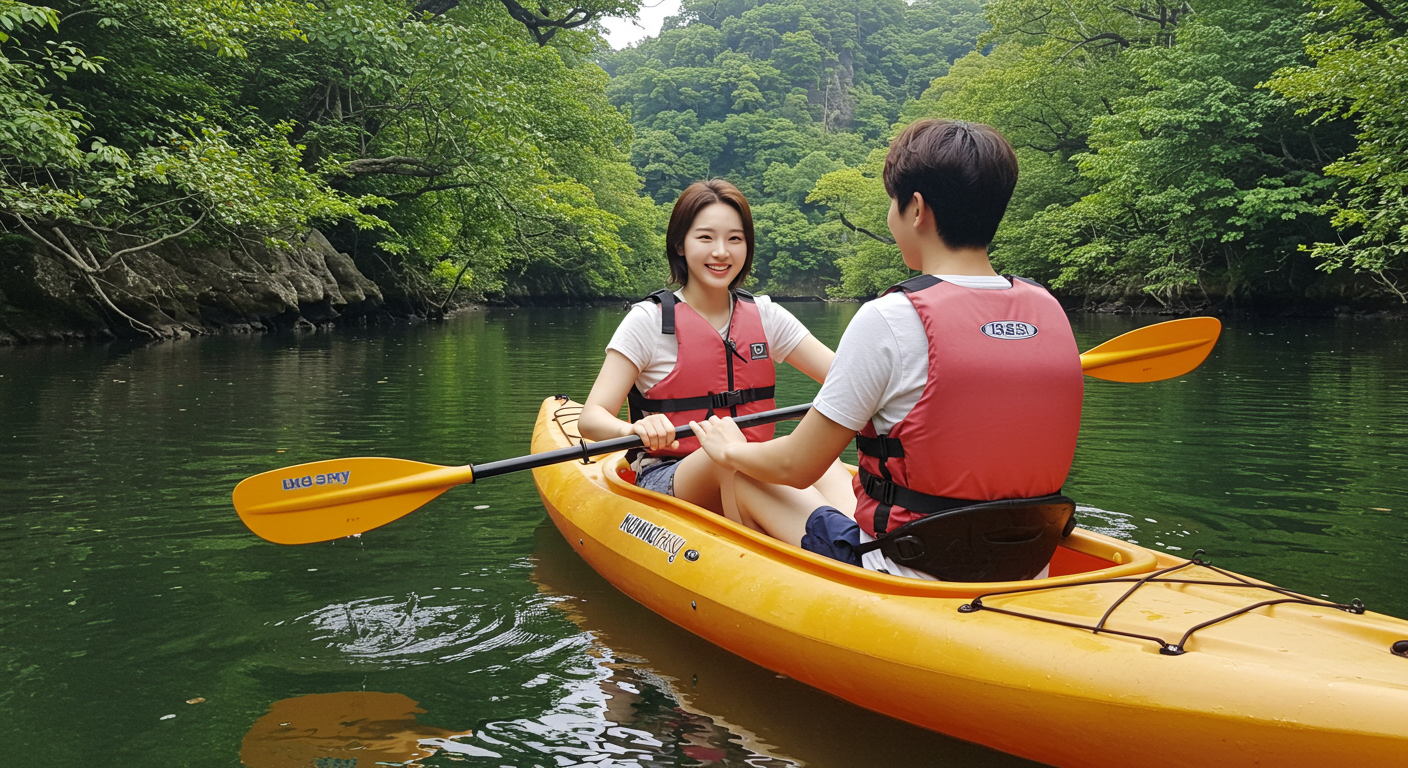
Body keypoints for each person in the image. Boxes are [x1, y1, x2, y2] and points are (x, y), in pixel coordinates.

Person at [689, 119, 1084, 580]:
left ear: (916, 209)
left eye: (891, 206)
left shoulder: (891, 317)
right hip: (1028, 560)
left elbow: (795, 465)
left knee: (749, 472)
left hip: (906, 568)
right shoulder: (1048, 310)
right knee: (837, 478)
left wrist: (729, 449)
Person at [578, 179, 854, 527]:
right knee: (728, 460)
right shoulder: (649, 320)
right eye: (706, 238)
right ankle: (830, 543)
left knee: (816, 458)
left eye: (734, 239)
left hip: (748, 458)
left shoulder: (766, 315)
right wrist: (634, 429)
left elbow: (847, 382)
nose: (721, 252)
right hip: (673, 473)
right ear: (680, 244)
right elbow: (591, 418)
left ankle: (865, 548)